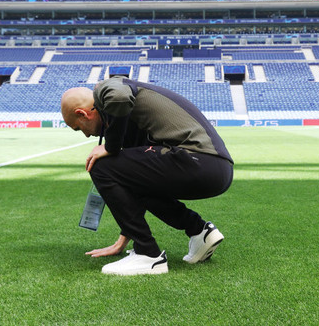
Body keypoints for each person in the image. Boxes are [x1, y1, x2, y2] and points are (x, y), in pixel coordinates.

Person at [60, 76, 233, 276]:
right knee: (129, 177)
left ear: (82, 113)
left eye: (78, 128)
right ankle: (199, 232)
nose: (86, 135)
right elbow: (135, 180)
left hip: (197, 159)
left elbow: (119, 97)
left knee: (100, 166)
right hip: (216, 170)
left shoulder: (105, 89)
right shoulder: (129, 123)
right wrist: (124, 237)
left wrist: (110, 146)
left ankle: (147, 254)